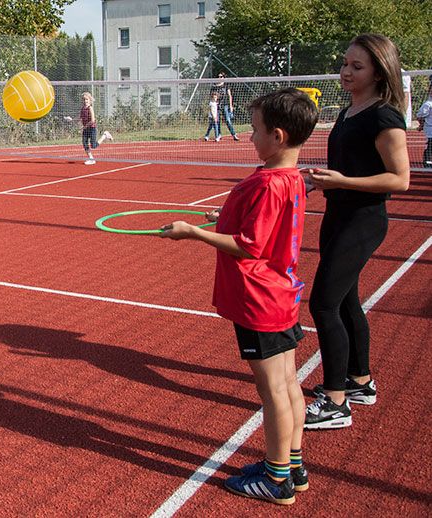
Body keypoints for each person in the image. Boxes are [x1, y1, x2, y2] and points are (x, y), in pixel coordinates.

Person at [161, 88, 319, 504]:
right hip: (280, 294)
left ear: (279, 136)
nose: (251, 137)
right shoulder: (291, 180)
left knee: (273, 393)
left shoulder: (269, 183)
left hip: (259, 299)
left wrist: (194, 231)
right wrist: (224, 216)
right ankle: (293, 464)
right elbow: (264, 227)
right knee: (288, 384)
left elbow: (250, 245)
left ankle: (277, 478)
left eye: (256, 130)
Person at [303, 34, 410, 429]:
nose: (346, 72)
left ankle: (335, 402)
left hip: (363, 221)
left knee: (323, 304)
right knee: (346, 303)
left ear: (379, 71)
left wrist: (342, 181)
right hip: (338, 215)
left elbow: (399, 180)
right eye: (345, 64)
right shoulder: (350, 111)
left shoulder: (384, 116)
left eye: (357, 66)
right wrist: (318, 181)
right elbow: (350, 168)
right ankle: (360, 382)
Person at [79, 92, 112, 165]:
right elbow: (80, 118)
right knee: (84, 143)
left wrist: (85, 126)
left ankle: (105, 135)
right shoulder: (82, 109)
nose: (85, 101)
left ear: (90, 100)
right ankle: (91, 159)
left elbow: (93, 120)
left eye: (87, 99)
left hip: (91, 128)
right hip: (86, 129)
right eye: (84, 99)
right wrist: (71, 119)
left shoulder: (90, 108)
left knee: (93, 145)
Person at [214, 72, 240, 140]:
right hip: (217, 106)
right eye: (218, 76)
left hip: (225, 105)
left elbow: (229, 96)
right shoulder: (215, 86)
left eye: (221, 76)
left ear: (223, 77)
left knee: (228, 120)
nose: (219, 78)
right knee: (217, 121)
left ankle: (234, 134)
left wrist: (231, 106)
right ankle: (219, 134)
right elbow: (212, 96)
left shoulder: (226, 85)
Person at [416, 81, 432, 166]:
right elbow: (419, 116)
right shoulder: (428, 104)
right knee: (430, 146)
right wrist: (421, 125)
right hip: (430, 130)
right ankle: (427, 163)